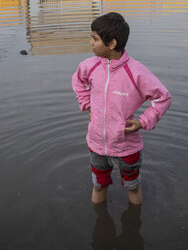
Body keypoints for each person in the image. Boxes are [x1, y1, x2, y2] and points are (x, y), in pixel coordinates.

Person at [72, 12, 171, 205]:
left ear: (112, 44)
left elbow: (163, 97)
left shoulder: (135, 72)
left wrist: (143, 122)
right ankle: (100, 223)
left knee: (132, 186)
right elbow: (77, 81)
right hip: (97, 144)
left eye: (95, 38)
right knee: (99, 185)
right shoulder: (89, 66)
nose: (90, 42)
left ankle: (133, 228)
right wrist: (87, 104)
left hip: (126, 146)